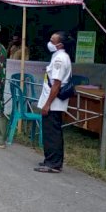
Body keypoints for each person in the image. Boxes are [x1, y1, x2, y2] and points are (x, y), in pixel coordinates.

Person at [35, 31, 73, 173]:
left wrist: (47, 104)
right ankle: (50, 160)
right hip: (53, 101)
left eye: (52, 40)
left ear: (60, 44)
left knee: (52, 133)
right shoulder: (57, 56)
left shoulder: (60, 59)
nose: (49, 42)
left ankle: (53, 163)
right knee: (51, 132)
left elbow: (56, 84)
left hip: (54, 103)